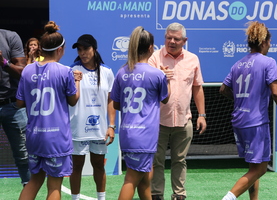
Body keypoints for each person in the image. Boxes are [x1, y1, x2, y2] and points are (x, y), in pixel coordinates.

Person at [220, 21, 277, 200]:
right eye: (269, 42)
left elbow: (223, 90)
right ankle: (229, 198)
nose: (270, 45)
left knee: (253, 166)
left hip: (239, 121)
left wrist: (241, 99)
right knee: (261, 168)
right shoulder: (268, 62)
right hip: (256, 122)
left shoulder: (237, 64)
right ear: (263, 42)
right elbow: (276, 94)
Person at [16, 21, 82, 200]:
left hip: (34, 136)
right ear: (60, 49)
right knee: (54, 186)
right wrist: (78, 82)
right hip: (56, 139)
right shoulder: (65, 71)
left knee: (34, 180)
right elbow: (73, 100)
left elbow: (19, 103)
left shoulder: (28, 71)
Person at [111, 26, 170, 200]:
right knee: (131, 179)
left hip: (128, 132)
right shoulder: (157, 74)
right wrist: (167, 78)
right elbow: (166, 99)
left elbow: (116, 103)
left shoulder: (122, 72)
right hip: (144, 135)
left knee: (145, 178)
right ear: (151, 48)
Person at [149, 22, 206, 200]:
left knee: (179, 160)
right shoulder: (154, 58)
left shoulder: (193, 59)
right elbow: (147, 87)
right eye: (168, 38)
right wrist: (159, 77)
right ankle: (156, 194)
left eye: (176, 38)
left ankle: (179, 195)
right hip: (157, 120)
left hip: (184, 119)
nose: (171, 41)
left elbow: (197, 87)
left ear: (185, 40)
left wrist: (202, 115)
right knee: (157, 161)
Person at [69, 34, 116, 200]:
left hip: (99, 129)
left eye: (86, 49)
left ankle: (101, 198)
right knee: (76, 166)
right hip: (77, 128)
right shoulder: (72, 71)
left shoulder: (107, 72)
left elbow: (111, 100)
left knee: (98, 165)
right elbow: (70, 99)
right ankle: (75, 198)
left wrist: (111, 125)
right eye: (80, 50)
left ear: (94, 49)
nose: (83, 53)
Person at [0, 29, 30, 186]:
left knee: (23, 153)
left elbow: (23, 72)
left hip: (12, 105)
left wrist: (3, 62)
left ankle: (28, 189)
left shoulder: (9, 36)